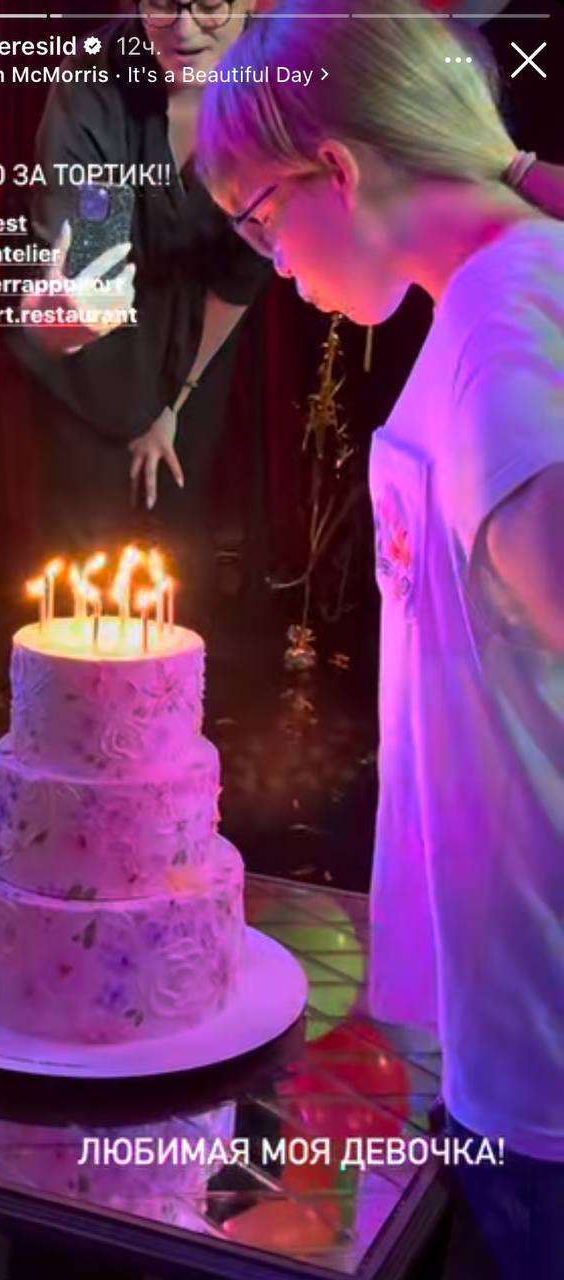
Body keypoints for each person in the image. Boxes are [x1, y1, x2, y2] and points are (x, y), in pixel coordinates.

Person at [195, 2, 563, 1275]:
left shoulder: (504, 334)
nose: (267, 262)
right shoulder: (500, 297)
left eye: (256, 218)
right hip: (506, 1026)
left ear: (336, 169)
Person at [13, 1, 271, 610]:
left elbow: (240, 277)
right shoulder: (94, 79)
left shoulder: (274, 87)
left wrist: (173, 404)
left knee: (176, 565)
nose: (183, 27)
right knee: (77, 571)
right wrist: (70, 316)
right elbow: (90, 248)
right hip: (87, 358)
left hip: (196, 345)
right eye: (160, 3)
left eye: (209, 4)